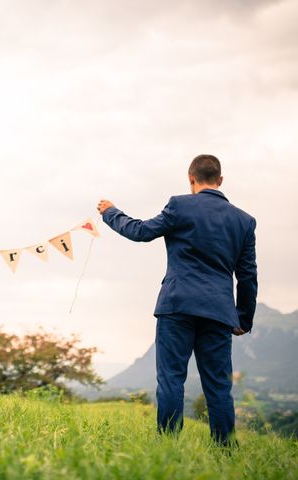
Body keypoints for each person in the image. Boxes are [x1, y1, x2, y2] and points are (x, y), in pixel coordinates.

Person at [97, 154, 257, 446]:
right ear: (220, 181)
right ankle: (225, 451)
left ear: (191, 179)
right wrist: (243, 318)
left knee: (171, 379)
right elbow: (247, 276)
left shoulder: (179, 205)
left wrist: (111, 212)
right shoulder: (244, 221)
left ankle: (168, 448)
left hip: (177, 305)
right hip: (219, 312)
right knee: (219, 387)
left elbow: (140, 232)